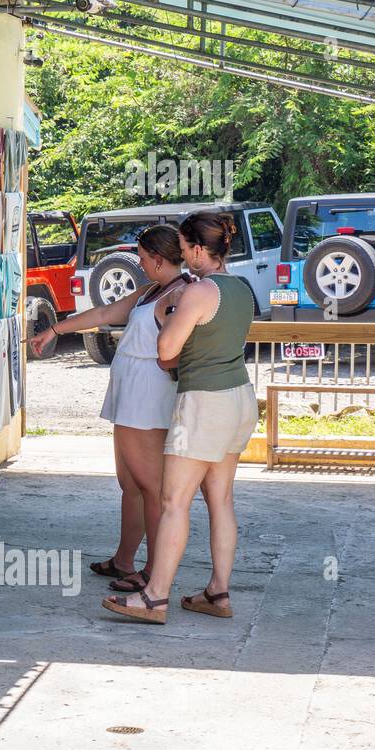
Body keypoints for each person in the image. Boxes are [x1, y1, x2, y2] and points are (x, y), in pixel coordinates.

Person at [104, 211, 257, 624]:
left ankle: (154, 597)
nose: (184, 254)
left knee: (173, 501)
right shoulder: (241, 289)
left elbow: (166, 350)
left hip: (204, 402)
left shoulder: (198, 291)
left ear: (196, 248)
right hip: (240, 397)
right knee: (221, 499)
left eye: (186, 246)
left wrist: (162, 317)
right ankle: (218, 592)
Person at [31, 225, 189, 594]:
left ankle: (153, 570)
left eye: (142, 257)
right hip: (131, 391)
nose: (139, 263)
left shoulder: (179, 293)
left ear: (158, 259)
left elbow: (176, 347)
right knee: (129, 483)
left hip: (148, 396)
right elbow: (104, 313)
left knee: (151, 487)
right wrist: (56, 329)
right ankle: (124, 558)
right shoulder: (152, 290)